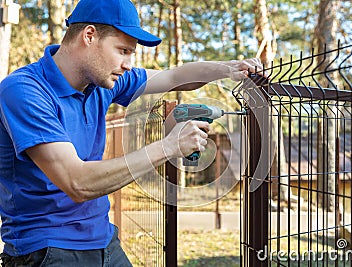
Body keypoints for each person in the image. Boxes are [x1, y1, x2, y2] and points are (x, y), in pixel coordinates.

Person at [0, 0, 261, 266]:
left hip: (103, 239)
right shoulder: (24, 91)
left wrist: (227, 69)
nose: (127, 64)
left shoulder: (101, 83)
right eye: (123, 50)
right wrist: (169, 146)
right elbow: (77, 182)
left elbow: (173, 78)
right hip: (46, 249)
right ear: (89, 35)